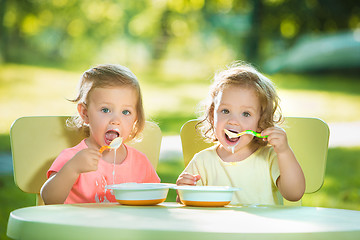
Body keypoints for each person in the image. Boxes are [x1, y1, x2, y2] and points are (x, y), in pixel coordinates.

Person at [176, 61, 305, 205]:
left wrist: (284, 151)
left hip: (263, 228)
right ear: (213, 116)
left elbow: (294, 194)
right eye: (225, 111)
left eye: (246, 113)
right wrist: (184, 191)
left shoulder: (270, 157)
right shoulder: (202, 162)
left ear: (260, 122)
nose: (233, 121)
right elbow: (188, 206)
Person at [41, 64, 160, 204]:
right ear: (85, 113)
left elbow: (154, 201)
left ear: (136, 118)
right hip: (78, 225)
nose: (116, 121)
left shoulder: (141, 163)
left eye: (126, 112)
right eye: (105, 110)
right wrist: (72, 169)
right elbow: (49, 199)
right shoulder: (72, 159)